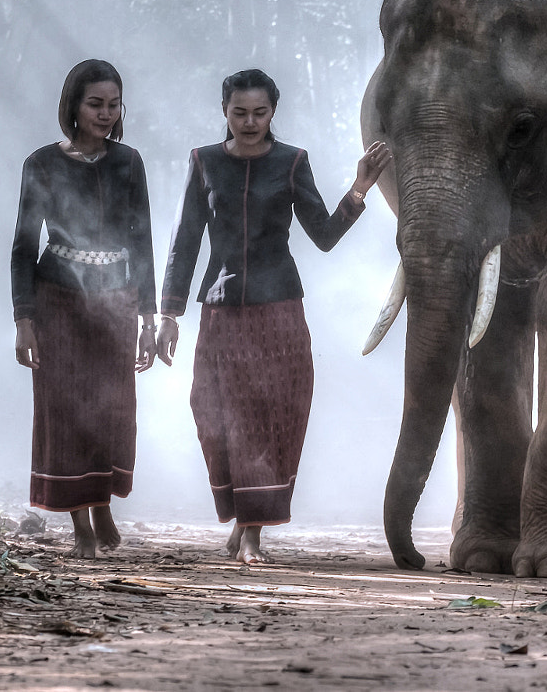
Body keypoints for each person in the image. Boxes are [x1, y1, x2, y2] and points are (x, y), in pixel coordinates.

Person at [157, 69, 392, 565]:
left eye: (259, 113)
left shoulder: (291, 163)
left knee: (267, 418)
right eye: (239, 112)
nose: (249, 122)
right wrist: (169, 314)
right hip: (222, 311)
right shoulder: (204, 163)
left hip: (279, 312)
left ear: (273, 114)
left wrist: (359, 189)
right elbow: (184, 242)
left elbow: (324, 237)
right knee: (214, 412)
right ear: (224, 111)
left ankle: (252, 535)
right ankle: (243, 518)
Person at [11, 59, 161, 559]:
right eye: (94, 104)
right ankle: (82, 529)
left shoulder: (129, 162)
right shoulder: (42, 164)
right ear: (73, 105)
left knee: (112, 410)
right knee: (67, 409)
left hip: (116, 302)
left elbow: (142, 243)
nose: (104, 113)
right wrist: (23, 320)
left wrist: (148, 317)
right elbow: (22, 247)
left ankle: (101, 506)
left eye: (113, 104)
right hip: (57, 301)